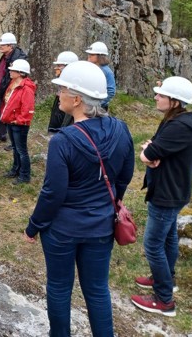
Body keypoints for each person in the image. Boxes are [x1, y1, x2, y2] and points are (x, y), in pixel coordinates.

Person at [23, 60, 134, 337]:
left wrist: (34, 226)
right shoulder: (121, 129)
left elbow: (53, 193)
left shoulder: (63, 140)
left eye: (62, 89)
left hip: (62, 229)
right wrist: (111, 202)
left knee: (59, 287)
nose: (58, 94)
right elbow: (125, 175)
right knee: (97, 289)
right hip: (101, 225)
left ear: (76, 99)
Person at [131, 76, 192, 318]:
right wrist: (152, 152)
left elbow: (148, 154)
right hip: (174, 190)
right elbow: (155, 149)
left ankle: (164, 300)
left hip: (167, 193)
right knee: (168, 238)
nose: (156, 97)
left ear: (175, 101)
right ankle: (166, 279)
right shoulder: (177, 121)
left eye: (161, 95)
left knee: (153, 245)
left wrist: (148, 152)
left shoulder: (178, 127)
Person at [0, 59, 36, 184]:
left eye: (12, 70)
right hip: (11, 121)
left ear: (20, 72)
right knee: (15, 148)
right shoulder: (13, 84)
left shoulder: (26, 88)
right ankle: (16, 170)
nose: (10, 71)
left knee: (21, 150)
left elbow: (28, 108)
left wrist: (18, 120)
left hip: (19, 124)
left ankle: (25, 175)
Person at [0, 32, 27, 149]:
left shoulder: (17, 59)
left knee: (12, 115)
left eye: (3, 44)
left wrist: (10, 90)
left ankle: (14, 142)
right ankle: (1, 135)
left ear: (10, 46)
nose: (0, 46)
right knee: (0, 112)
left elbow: (19, 77)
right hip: (3, 90)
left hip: (11, 90)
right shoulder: (6, 56)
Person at [47, 51, 79, 133]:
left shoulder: (75, 82)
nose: (56, 68)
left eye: (59, 66)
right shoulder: (61, 80)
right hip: (59, 104)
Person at [85, 41, 115, 110]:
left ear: (100, 56)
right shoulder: (89, 68)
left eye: (92, 54)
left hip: (99, 108)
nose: (89, 56)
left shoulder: (107, 72)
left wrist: (98, 104)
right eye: (89, 54)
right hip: (86, 105)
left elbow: (111, 91)